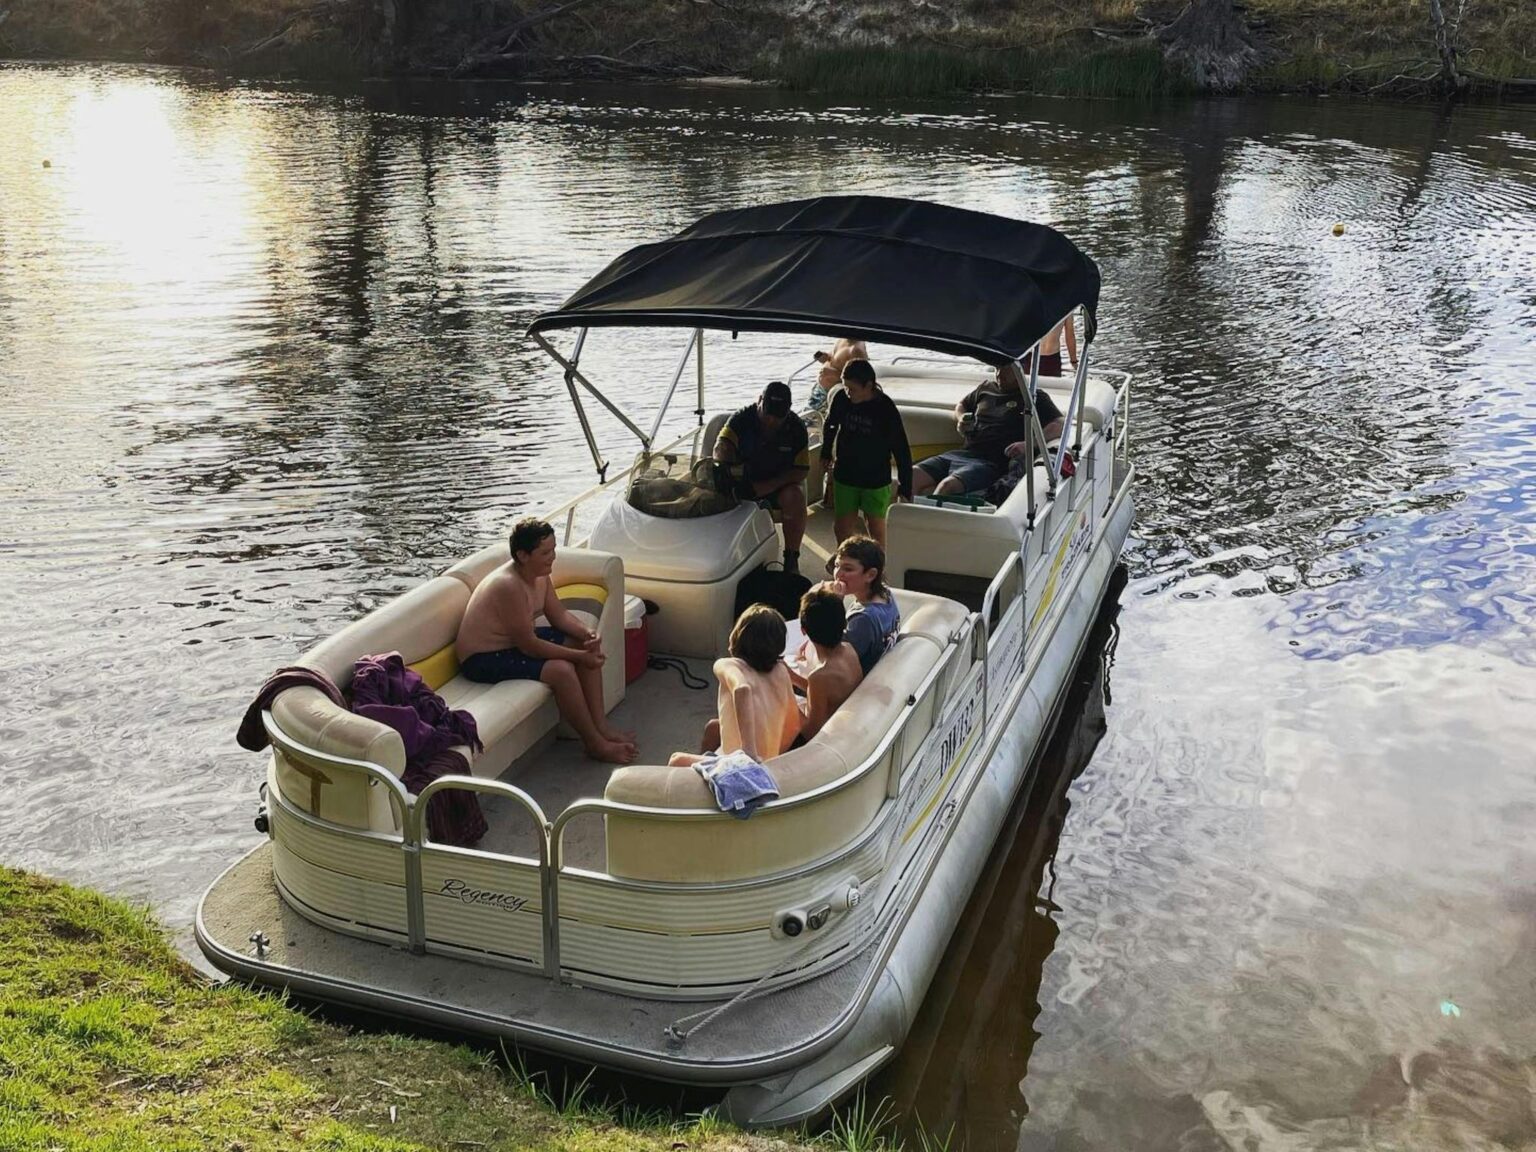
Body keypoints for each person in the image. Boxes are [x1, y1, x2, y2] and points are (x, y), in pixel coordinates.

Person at [455, 518, 637, 765]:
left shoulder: (539, 573)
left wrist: (587, 634)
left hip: (513, 643)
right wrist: (578, 657)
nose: (552, 557)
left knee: (584, 645)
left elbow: (558, 615)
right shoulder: (508, 586)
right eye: (545, 552)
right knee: (561, 670)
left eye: (553, 550)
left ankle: (601, 727)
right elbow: (529, 646)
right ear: (522, 555)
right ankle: (594, 743)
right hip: (481, 658)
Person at [670, 604, 801, 766]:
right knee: (712, 727)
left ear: (738, 635)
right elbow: (794, 726)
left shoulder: (728, 665)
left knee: (676, 760)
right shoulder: (781, 671)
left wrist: (748, 752)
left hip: (740, 763)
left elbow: (742, 689)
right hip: (766, 762)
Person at [911, 362, 1065, 498]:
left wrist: (1028, 444)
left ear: (1020, 369)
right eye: (997, 369)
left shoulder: (1034, 397)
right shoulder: (985, 388)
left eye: (1005, 370)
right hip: (962, 453)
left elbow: (1059, 425)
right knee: (909, 478)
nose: (999, 374)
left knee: (948, 486)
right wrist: (961, 418)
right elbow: (961, 405)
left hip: (990, 463)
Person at [713, 380, 809, 574]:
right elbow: (720, 446)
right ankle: (721, 555)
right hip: (742, 482)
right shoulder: (740, 419)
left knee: (795, 497)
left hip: (777, 484)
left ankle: (791, 558)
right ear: (759, 401)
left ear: (788, 410)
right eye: (768, 413)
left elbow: (801, 470)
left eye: (778, 416)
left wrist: (769, 485)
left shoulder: (797, 428)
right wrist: (727, 463)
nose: (771, 420)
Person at [820, 359, 913, 549]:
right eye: (845, 387)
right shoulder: (841, 398)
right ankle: (844, 562)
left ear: (868, 386)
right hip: (845, 473)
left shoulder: (885, 408)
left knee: (876, 529)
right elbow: (830, 425)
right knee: (842, 527)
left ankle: (877, 569)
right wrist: (825, 451)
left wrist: (906, 486)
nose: (848, 393)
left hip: (875, 478)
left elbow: (901, 448)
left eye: (852, 389)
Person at [789, 586, 863, 744]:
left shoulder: (820, 676)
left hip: (826, 740)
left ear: (803, 630)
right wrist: (792, 678)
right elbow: (828, 694)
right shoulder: (849, 650)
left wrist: (788, 702)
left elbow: (811, 732)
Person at [827, 535, 900, 676]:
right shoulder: (885, 593)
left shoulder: (863, 619)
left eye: (848, 569)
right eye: (837, 566)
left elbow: (836, 657)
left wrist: (834, 605)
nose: (838, 574)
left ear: (870, 575)